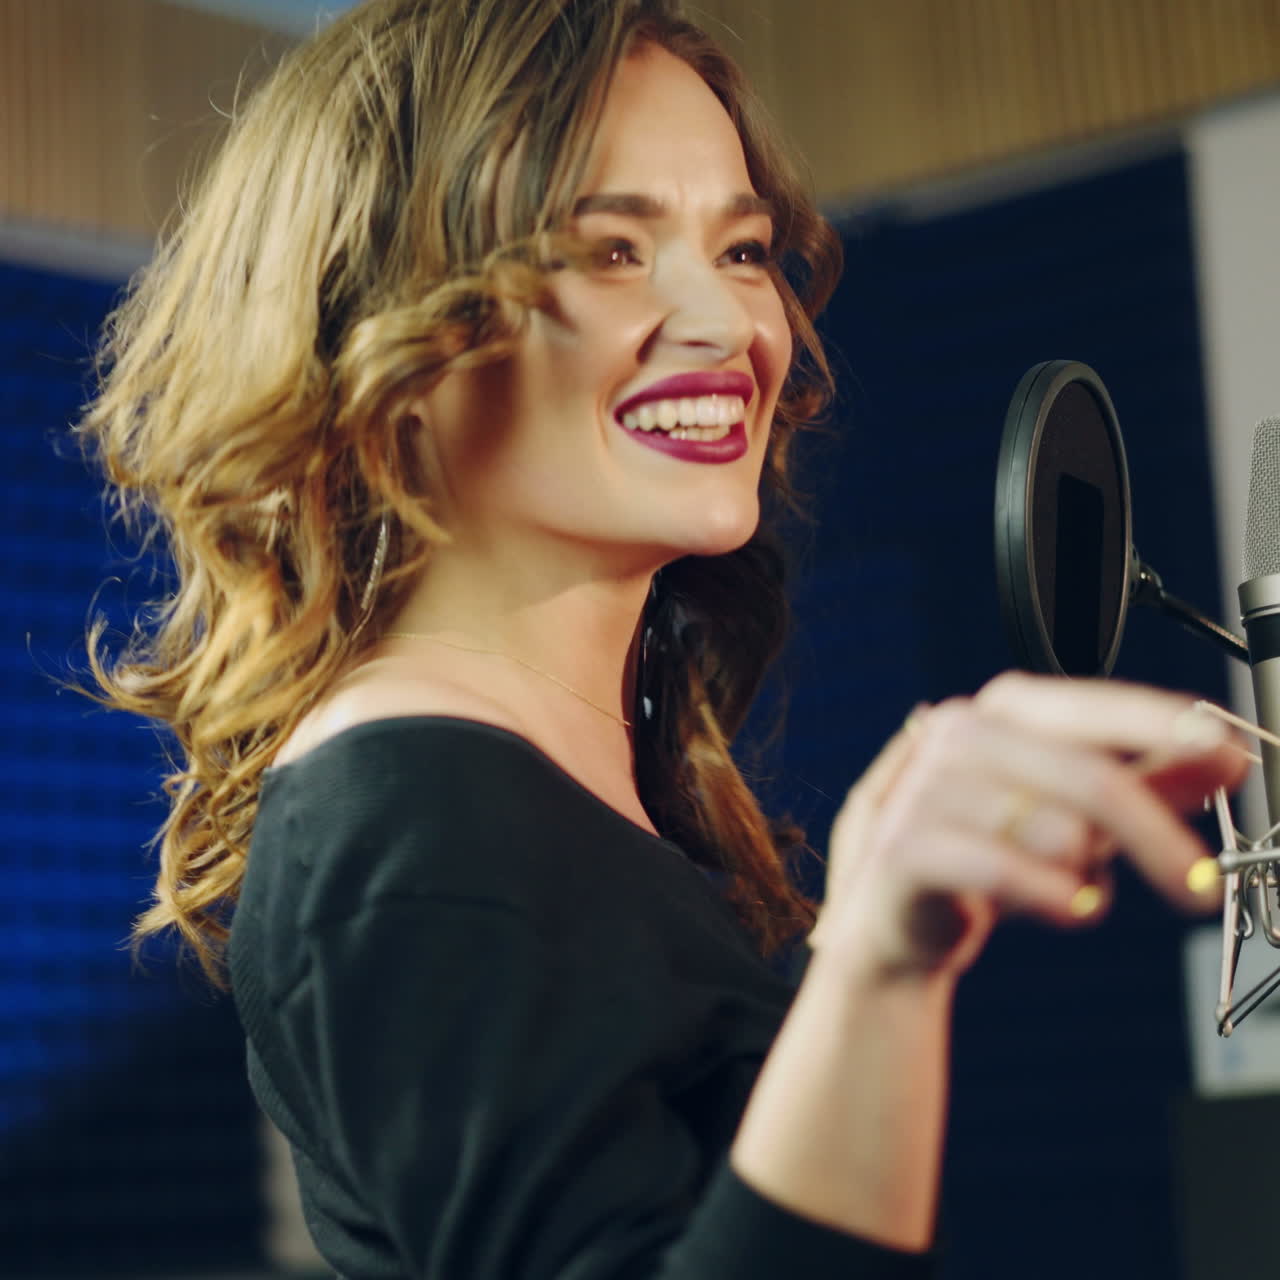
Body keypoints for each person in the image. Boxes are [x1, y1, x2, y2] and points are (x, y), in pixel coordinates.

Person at [77, 0, 1247, 1275]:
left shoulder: (579, 778)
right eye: (611, 250)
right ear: (382, 326)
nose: (732, 325)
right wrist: (873, 962)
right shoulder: (402, 823)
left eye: (741, 250)